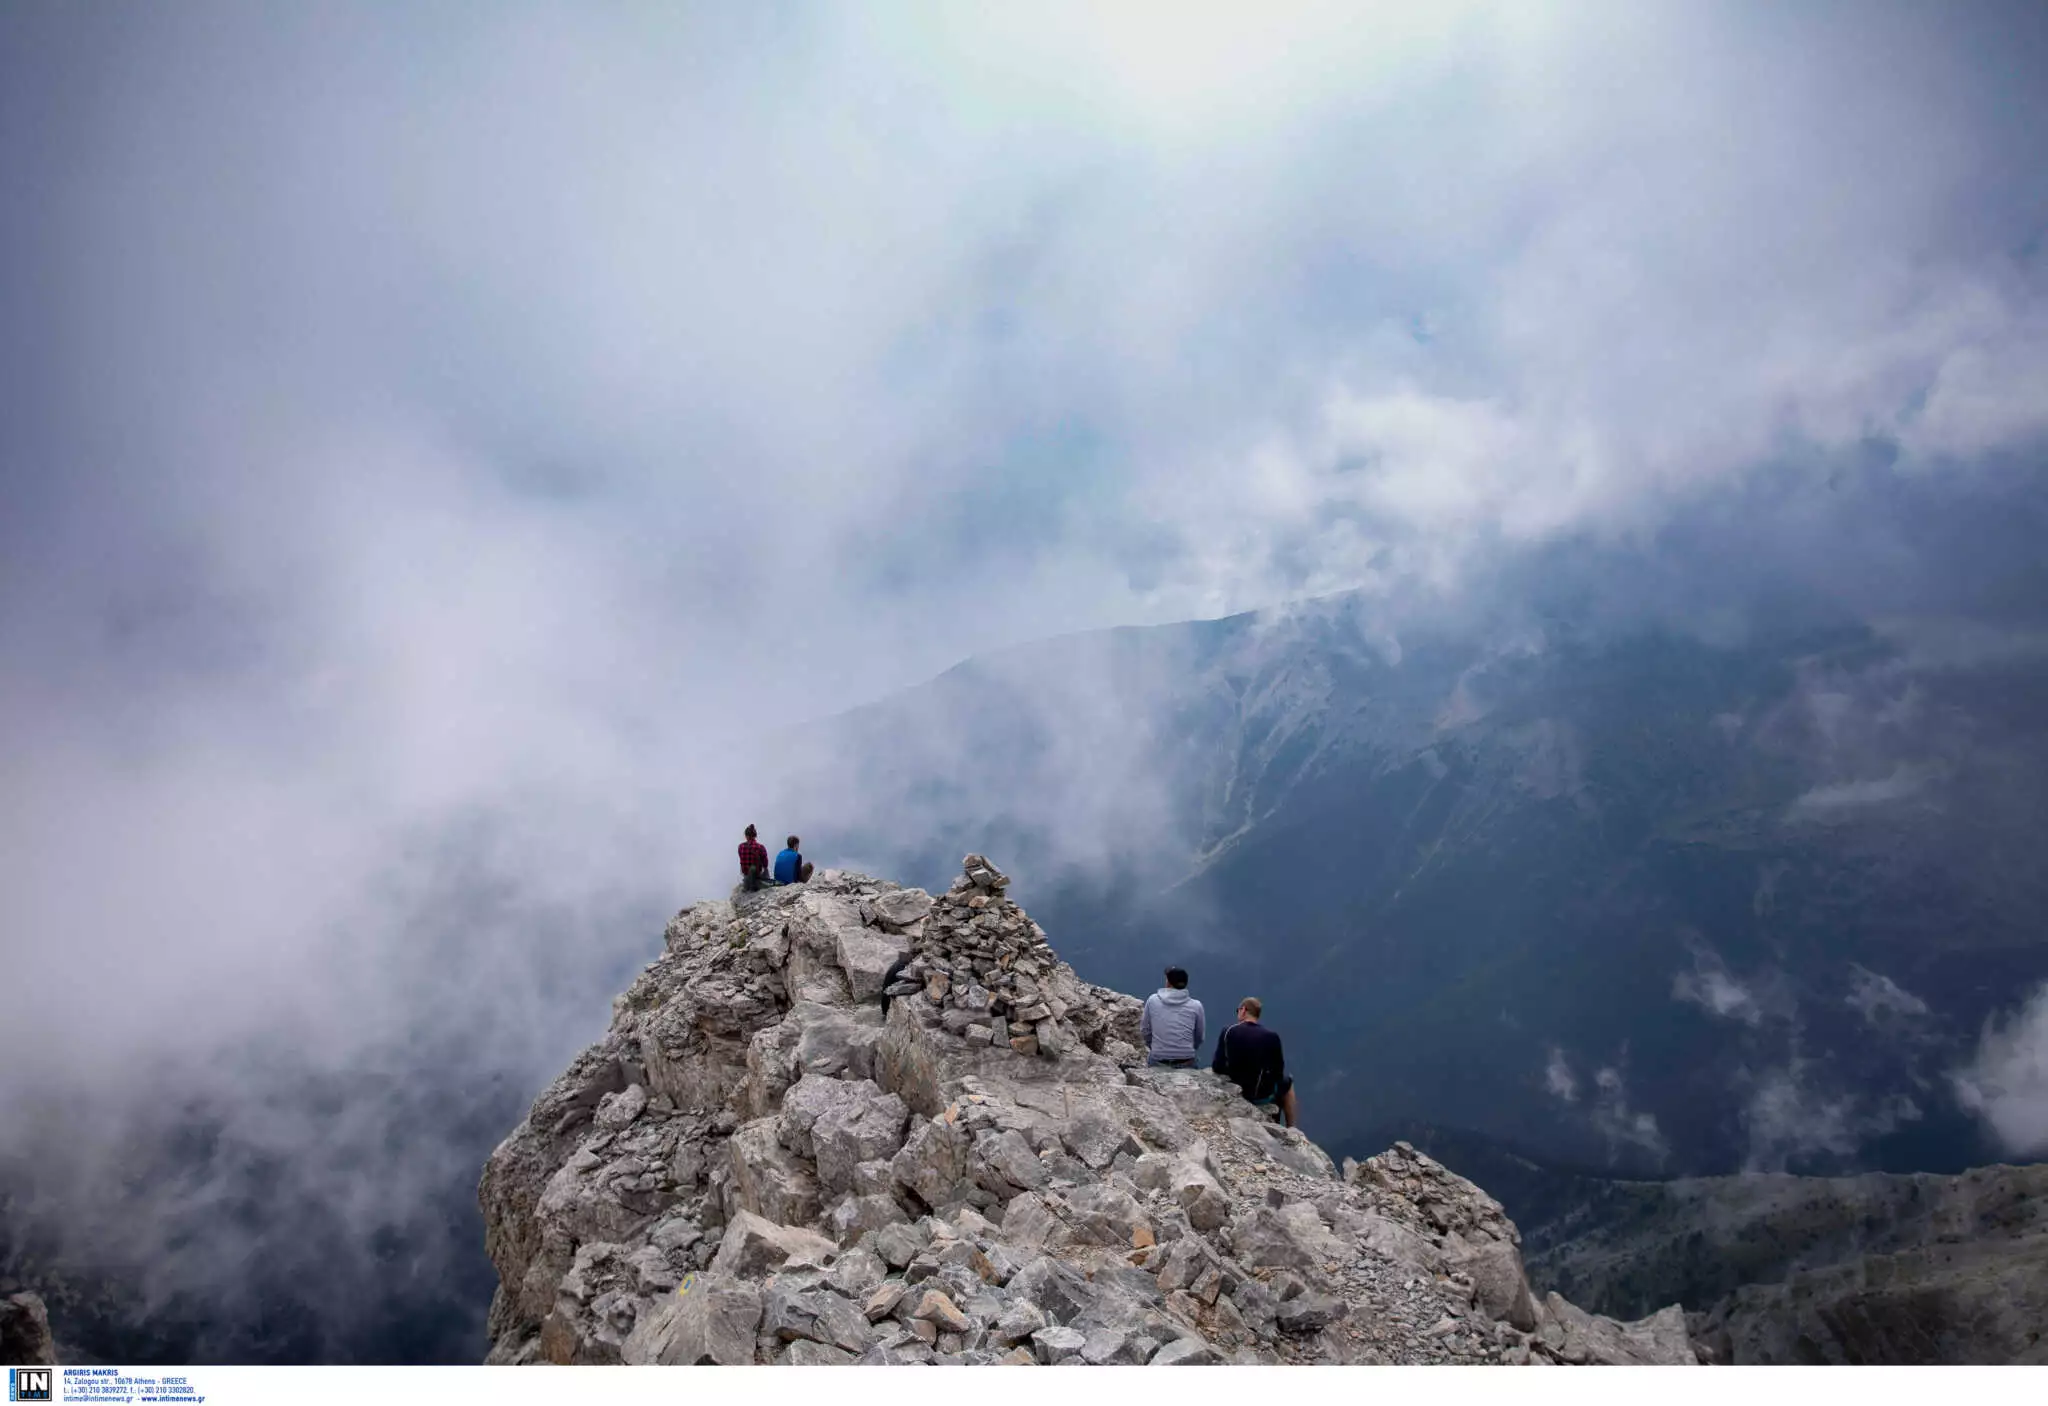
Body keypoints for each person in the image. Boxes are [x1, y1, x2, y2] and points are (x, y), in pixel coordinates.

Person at [1213, 997, 1298, 1128]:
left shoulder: (1228, 1031)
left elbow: (1217, 1066)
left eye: (1238, 1010)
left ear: (1243, 1010)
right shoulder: (1271, 1036)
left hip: (1233, 1089)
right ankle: (1291, 1128)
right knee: (1288, 1084)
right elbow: (1278, 1073)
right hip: (1259, 1094)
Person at [1140, 967, 1205, 1068]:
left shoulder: (1153, 1000)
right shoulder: (1197, 1006)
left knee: (1150, 1058)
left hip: (1158, 1059)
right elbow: (1199, 1037)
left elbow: (1145, 1029)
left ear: (1168, 983)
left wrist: (1154, 1047)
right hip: (1186, 1060)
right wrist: (1187, 1050)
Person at [737, 825, 770, 892]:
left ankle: (747, 883)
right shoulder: (760, 847)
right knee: (766, 869)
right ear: (755, 835)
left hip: (746, 874)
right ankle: (764, 883)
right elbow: (765, 864)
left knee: (749, 868)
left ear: (745, 836)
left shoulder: (741, 847)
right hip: (757, 875)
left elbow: (741, 860)